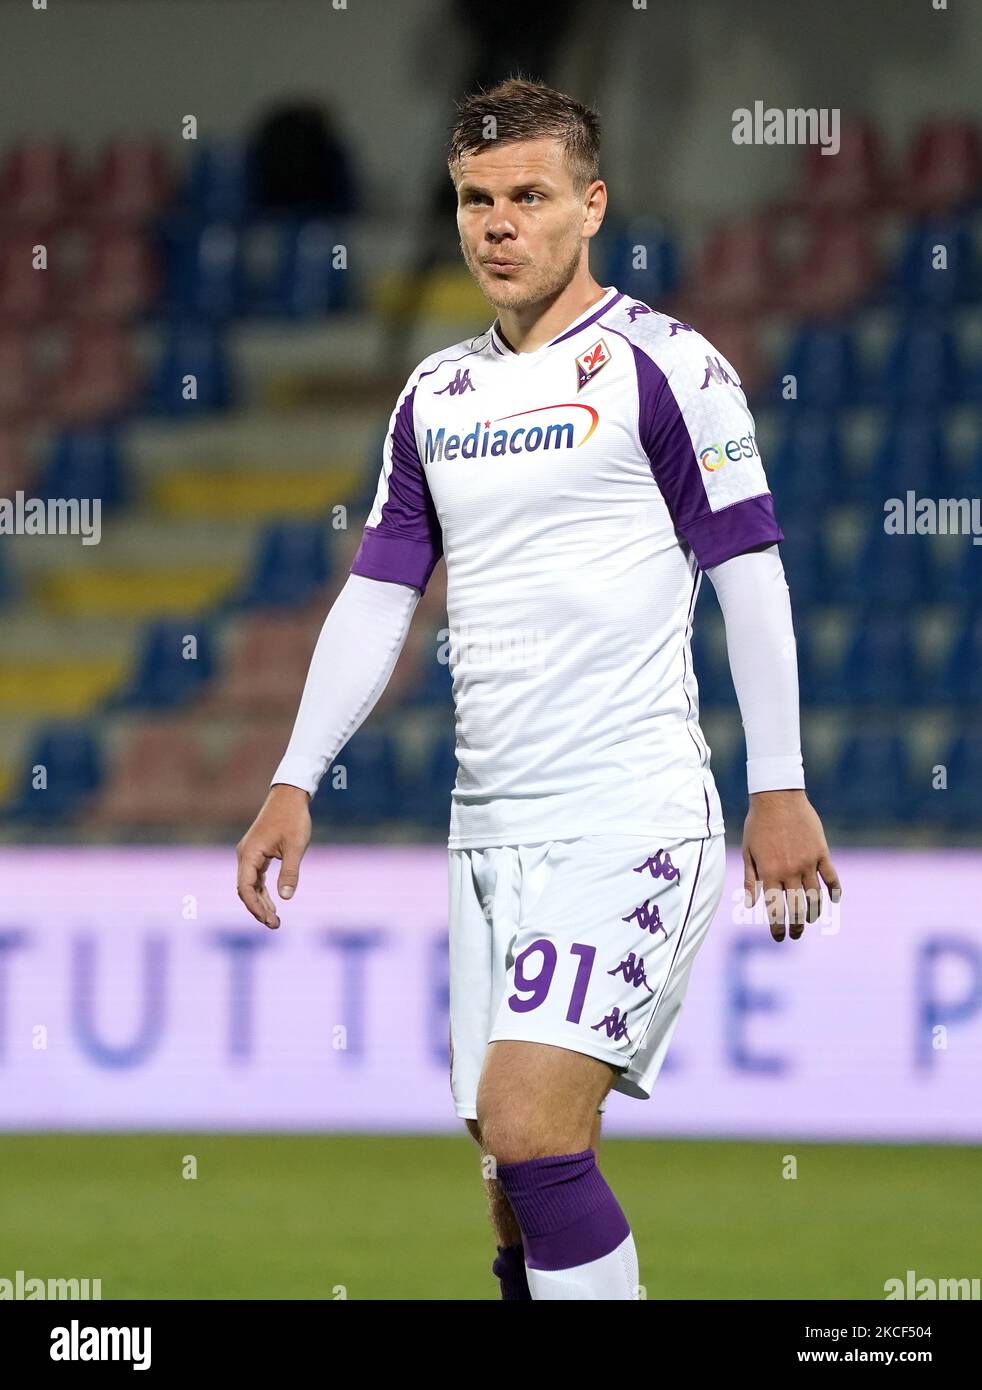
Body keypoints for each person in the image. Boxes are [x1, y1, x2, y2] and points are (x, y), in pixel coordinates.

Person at [236, 76, 841, 1301]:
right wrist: (293, 775)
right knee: (511, 1178)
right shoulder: (436, 398)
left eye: (527, 196)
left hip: (630, 814)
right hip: (490, 827)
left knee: (529, 1123)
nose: (495, 224)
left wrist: (777, 785)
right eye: (472, 199)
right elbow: (377, 595)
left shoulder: (666, 368)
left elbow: (749, 571)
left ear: (590, 206)